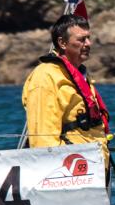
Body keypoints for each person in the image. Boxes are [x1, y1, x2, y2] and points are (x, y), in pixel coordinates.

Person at [21, 14, 109, 163]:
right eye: (81, 39)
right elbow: (43, 140)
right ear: (62, 43)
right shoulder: (45, 77)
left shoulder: (80, 75)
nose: (88, 43)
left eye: (88, 38)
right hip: (69, 168)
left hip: (93, 165)